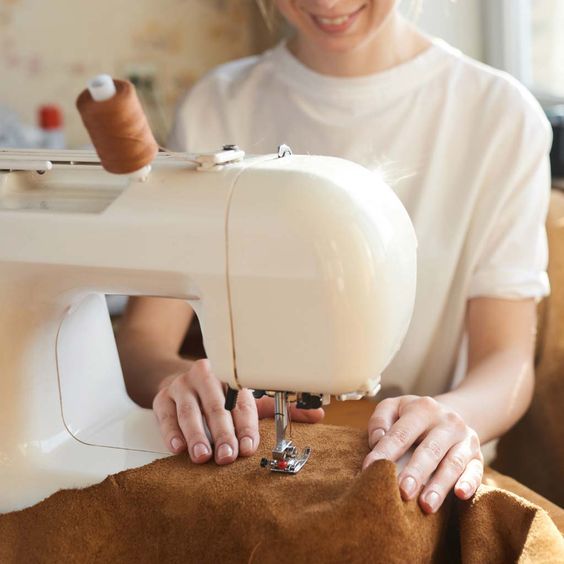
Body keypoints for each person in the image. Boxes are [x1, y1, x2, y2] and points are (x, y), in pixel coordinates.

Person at [116, 0, 552, 514]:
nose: (326, 2)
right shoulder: (218, 104)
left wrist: (451, 418)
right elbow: (143, 340)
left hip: (413, 464)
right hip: (243, 459)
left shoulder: (499, 114)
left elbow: (506, 360)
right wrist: (175, 380)